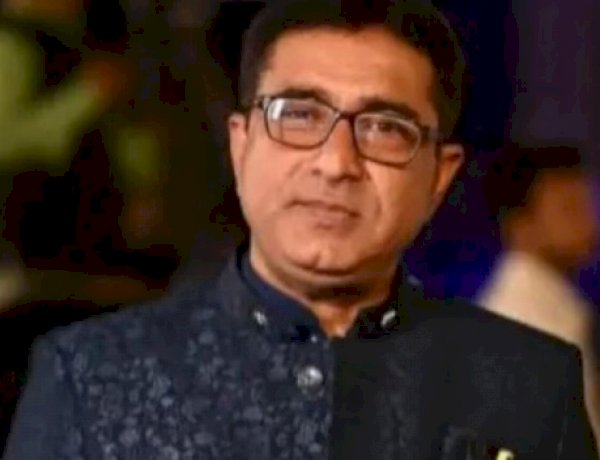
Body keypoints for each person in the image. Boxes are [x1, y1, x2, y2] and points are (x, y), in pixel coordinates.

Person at [3, 1, 597, 458]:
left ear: (439, 176)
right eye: (299, 116)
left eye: (384, 128)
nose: (335, 163)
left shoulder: (528, 383)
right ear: (241, 145)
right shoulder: (90, 375)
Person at [477, 143, 600, 448]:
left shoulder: (557, 306)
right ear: (520, 224)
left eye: (587, 206)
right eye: (569, 209)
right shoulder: (520, 318)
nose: (589, 223)